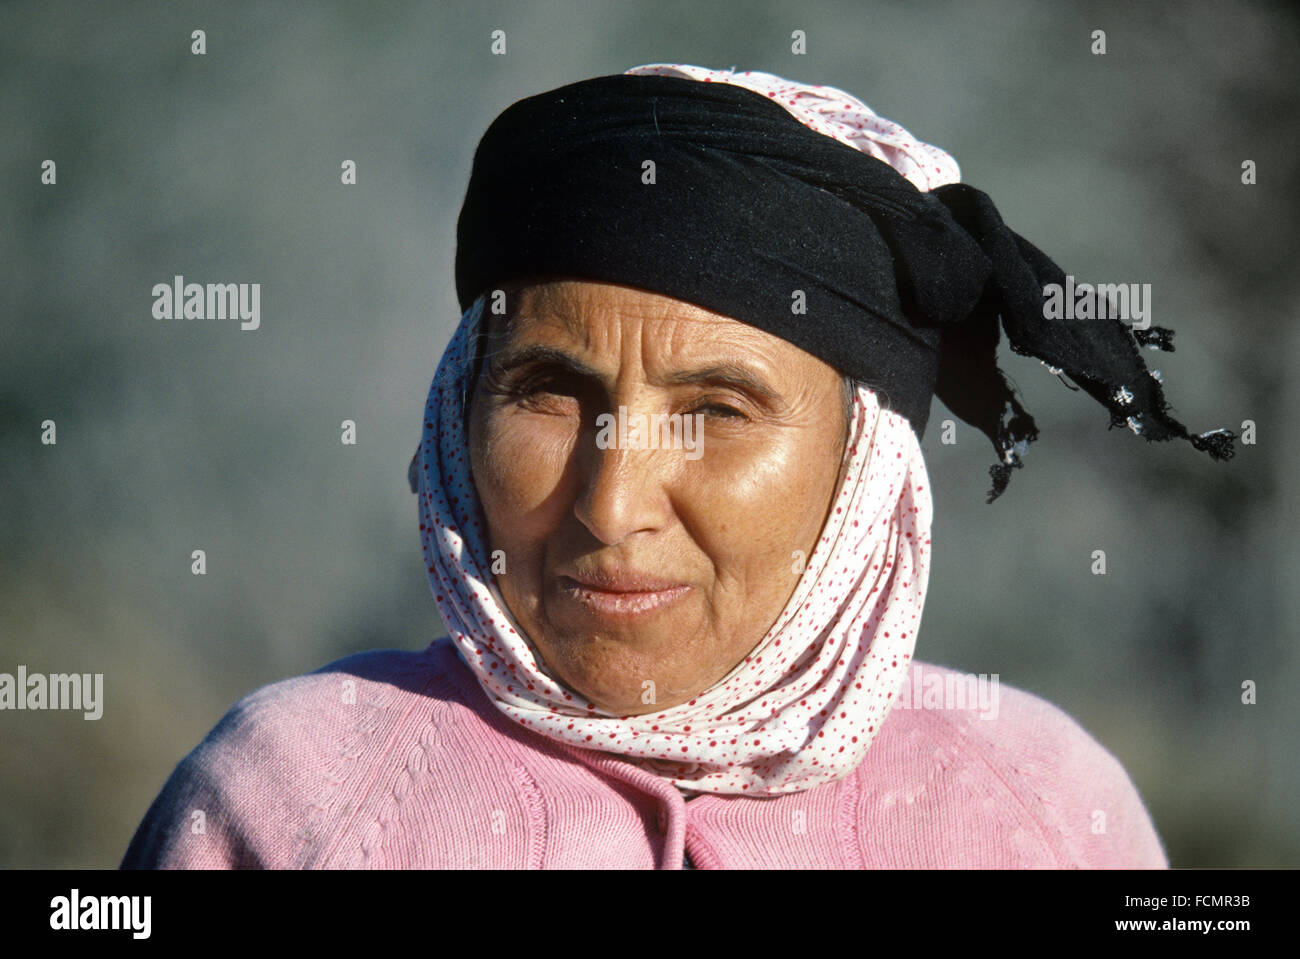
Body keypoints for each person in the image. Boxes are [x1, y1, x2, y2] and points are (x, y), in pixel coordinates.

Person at [120, 63, 1234, 869]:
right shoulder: (293, 792)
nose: (610, 505)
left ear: (864, 468)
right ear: (459, 411)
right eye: (549, 393)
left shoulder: (1037, 804)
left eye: (716, 410)